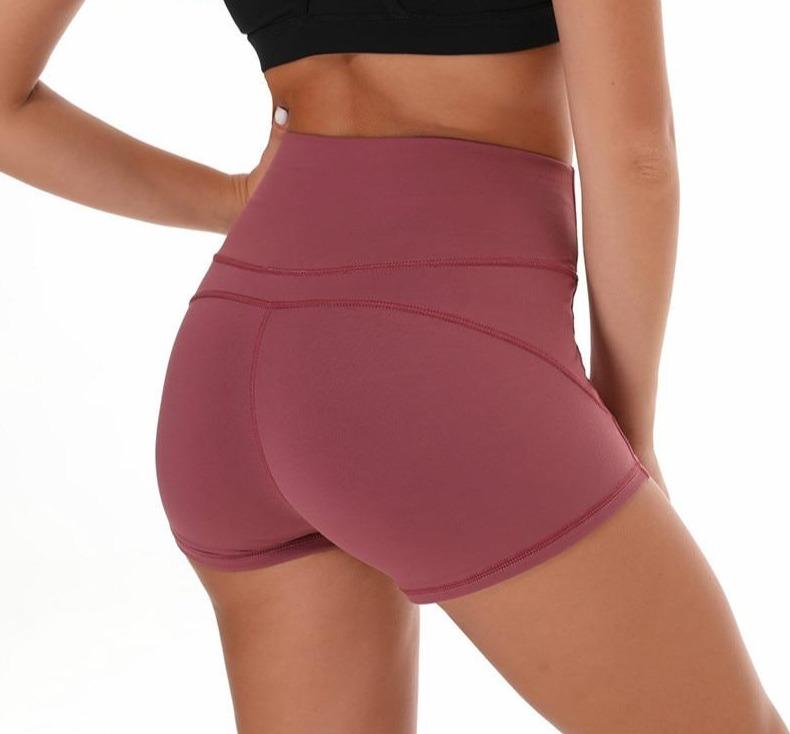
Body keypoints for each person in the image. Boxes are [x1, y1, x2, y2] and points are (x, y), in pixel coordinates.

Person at [0, 1, 786, 732]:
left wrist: (238, 200)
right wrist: (628, 422)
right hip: (439, 355)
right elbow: (637, 157)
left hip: (229, 361)